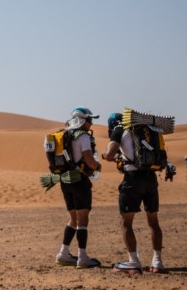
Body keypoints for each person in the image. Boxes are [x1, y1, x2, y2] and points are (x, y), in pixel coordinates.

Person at [103, 113, 165, 274]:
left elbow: (110, 154)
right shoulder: (148, 130)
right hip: (151, 179)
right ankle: (157, 263)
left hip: (132, 180)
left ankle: (133, 262)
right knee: (153, 222)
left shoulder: (119, 129)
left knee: (126, 223)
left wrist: (105, 156)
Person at [51, 107, 102, 269]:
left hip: (65, 180)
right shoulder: (83, 136)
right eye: (89, 120)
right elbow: (88, 159)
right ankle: (82, 257)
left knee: (73, 219)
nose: (91, 123)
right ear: (82, 120)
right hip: (80, 181)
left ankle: (63, 253)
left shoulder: (64, 135)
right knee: (82, 220)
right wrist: (97, 166)